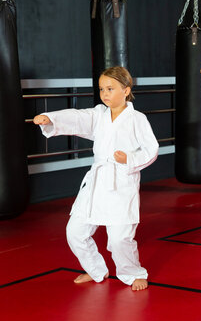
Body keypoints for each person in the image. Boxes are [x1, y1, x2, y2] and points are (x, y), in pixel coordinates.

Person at [33, 66, 158, 291]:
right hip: (96, 182)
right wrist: (50, 118)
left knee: (120, 239)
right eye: (102, 89)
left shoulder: (137, 119)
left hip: (121, 182)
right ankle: (96, 270)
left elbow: (151, 149)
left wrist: (129, 158)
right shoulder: (99, 114)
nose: (105, 93)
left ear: (126, 90)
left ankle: (133, 272)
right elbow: (77, 117)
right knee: (75, 232)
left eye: (110, 88)